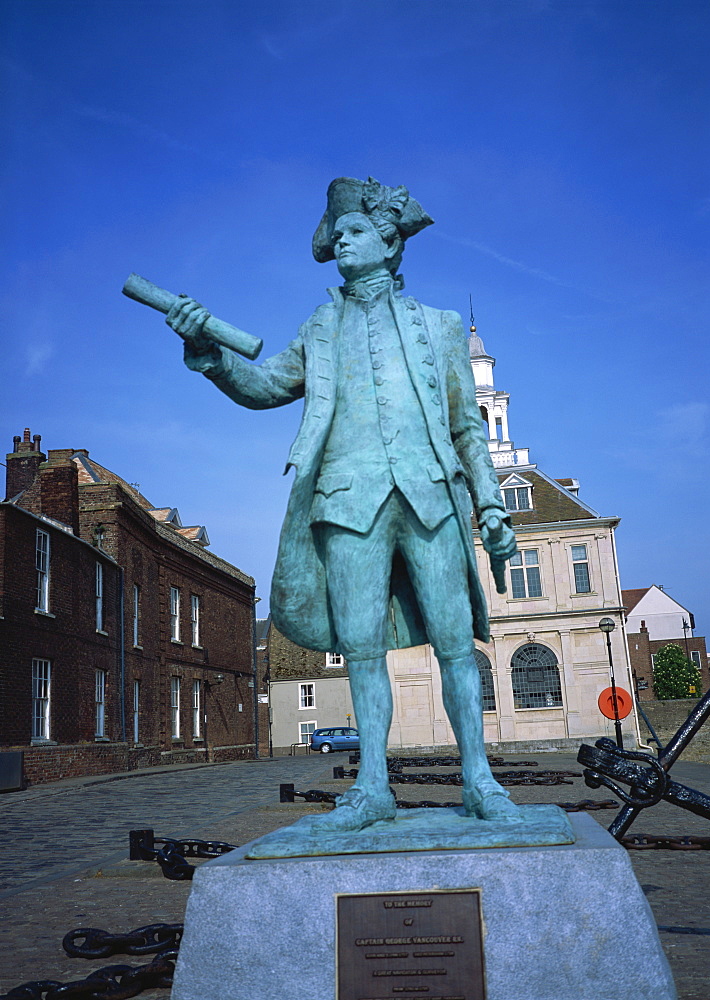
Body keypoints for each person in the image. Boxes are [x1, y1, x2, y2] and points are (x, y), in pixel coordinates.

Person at [167, 176, 522, 830]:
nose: (339, 242)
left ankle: (479, 779)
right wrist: (207, 353)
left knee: (453, 641)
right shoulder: (320, 328)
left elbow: (466, 426)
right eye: (335, 234)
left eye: (352, 231)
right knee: (361, 649)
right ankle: (374, 787)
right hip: (345, 500)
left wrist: (490, 503)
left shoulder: (439, 328)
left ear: (388, 242)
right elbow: (264, 385)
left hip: (431, 494)